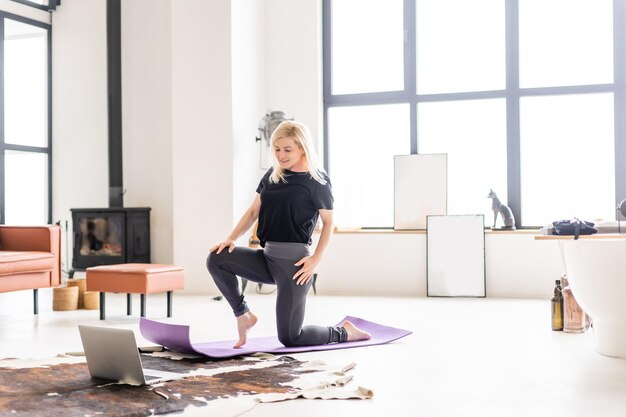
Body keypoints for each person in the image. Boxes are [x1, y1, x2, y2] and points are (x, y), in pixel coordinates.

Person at [207, 120, 371, 349]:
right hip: (266, 258)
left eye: (287, 150)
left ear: (302, 148)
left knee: (291, 338)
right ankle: (243, 314)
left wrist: (315, 259)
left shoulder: (317, 181)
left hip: (294, 267)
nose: (281, 155)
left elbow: (328, 222)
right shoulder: (273, 176)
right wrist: (231, 238)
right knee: (217, 258)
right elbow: (253, 211)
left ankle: (344, 331)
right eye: (276, 149)